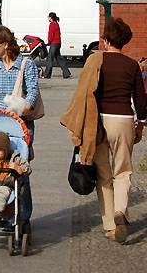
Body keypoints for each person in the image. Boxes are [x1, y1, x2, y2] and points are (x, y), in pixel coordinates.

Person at [61, 17, 146, 244]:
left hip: (97, 122)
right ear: (124, 41)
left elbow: (85, 92)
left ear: (106, 39)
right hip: (124, 119)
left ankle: (110, 224)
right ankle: (121, 210)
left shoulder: (96, 61)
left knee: (103, 174)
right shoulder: (132, 65)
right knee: (124, 171)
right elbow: (140, 99)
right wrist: (141, 124)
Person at [0, 25, 39, 227]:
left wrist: (24, 107)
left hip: (21, 124)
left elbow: (33, 90)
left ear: (5, 45)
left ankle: (22, 215)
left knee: (18, 168)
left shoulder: (26, 64)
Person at [43, 12, 71, 79]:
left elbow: (51, 35)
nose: (48, 18)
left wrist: (48, 43)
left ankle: (46, 75)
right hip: (58, 43)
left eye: (48, 17)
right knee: (59, 59)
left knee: (49, 59)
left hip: (54, 44)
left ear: (50, 18)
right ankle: (66, 73)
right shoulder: (56, 24)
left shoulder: (52, 24)